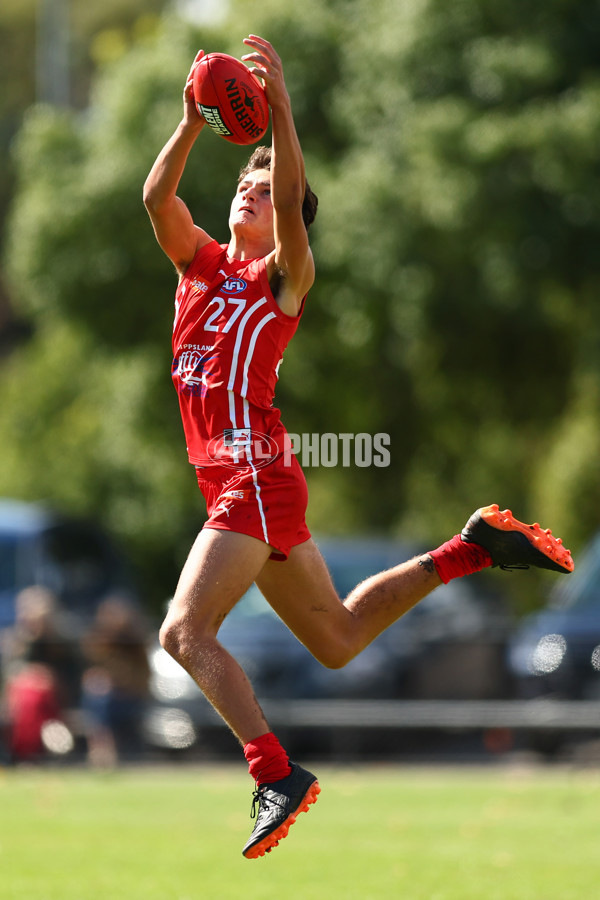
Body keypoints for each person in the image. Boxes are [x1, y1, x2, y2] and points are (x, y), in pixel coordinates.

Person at [143, 35, 574, 858]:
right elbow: (155, 196)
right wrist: (194, 120)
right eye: (244, 181)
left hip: (253, 474)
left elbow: (292, 192)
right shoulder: (196, 268)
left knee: (181, 634)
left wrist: (285, 115)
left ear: (290, 220)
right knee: (337, 642)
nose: (249, 192)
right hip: (239, 483)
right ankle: (470, 547)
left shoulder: (282, 281)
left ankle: (274, 773)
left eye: (266, 190)